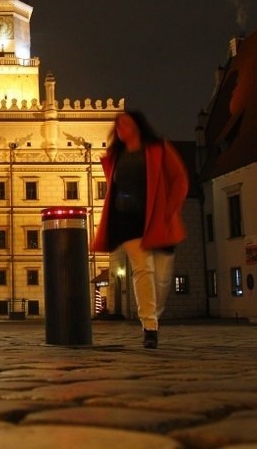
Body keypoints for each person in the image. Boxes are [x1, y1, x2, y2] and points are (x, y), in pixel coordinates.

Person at [92, 110, 189, 349]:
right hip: (127, 221)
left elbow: (180, 180)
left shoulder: (158, 149)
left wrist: (170, 210)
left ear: (138, 125)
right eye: (118, 126)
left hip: (157, 219)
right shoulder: (116, 156)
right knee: (143, 270)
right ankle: (149, 327)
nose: (121, 128)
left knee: (163, 279)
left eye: (125, 123)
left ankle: (152, 315)